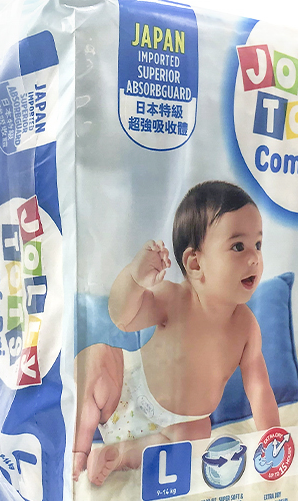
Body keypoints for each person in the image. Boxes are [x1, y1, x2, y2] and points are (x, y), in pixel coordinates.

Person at [73, 181, 280, 485]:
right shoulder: (174, 298)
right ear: (195, 263)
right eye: (238, 246)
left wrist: (273, 439)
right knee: (95, 358)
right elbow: (123, 318)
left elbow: (259, 389)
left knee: (199, 434)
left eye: (258, 245)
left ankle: (122, 455)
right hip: (123, 395)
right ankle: (78, 450)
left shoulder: (247, 327)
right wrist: (135, 278)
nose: (254, 258)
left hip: (178, 425)